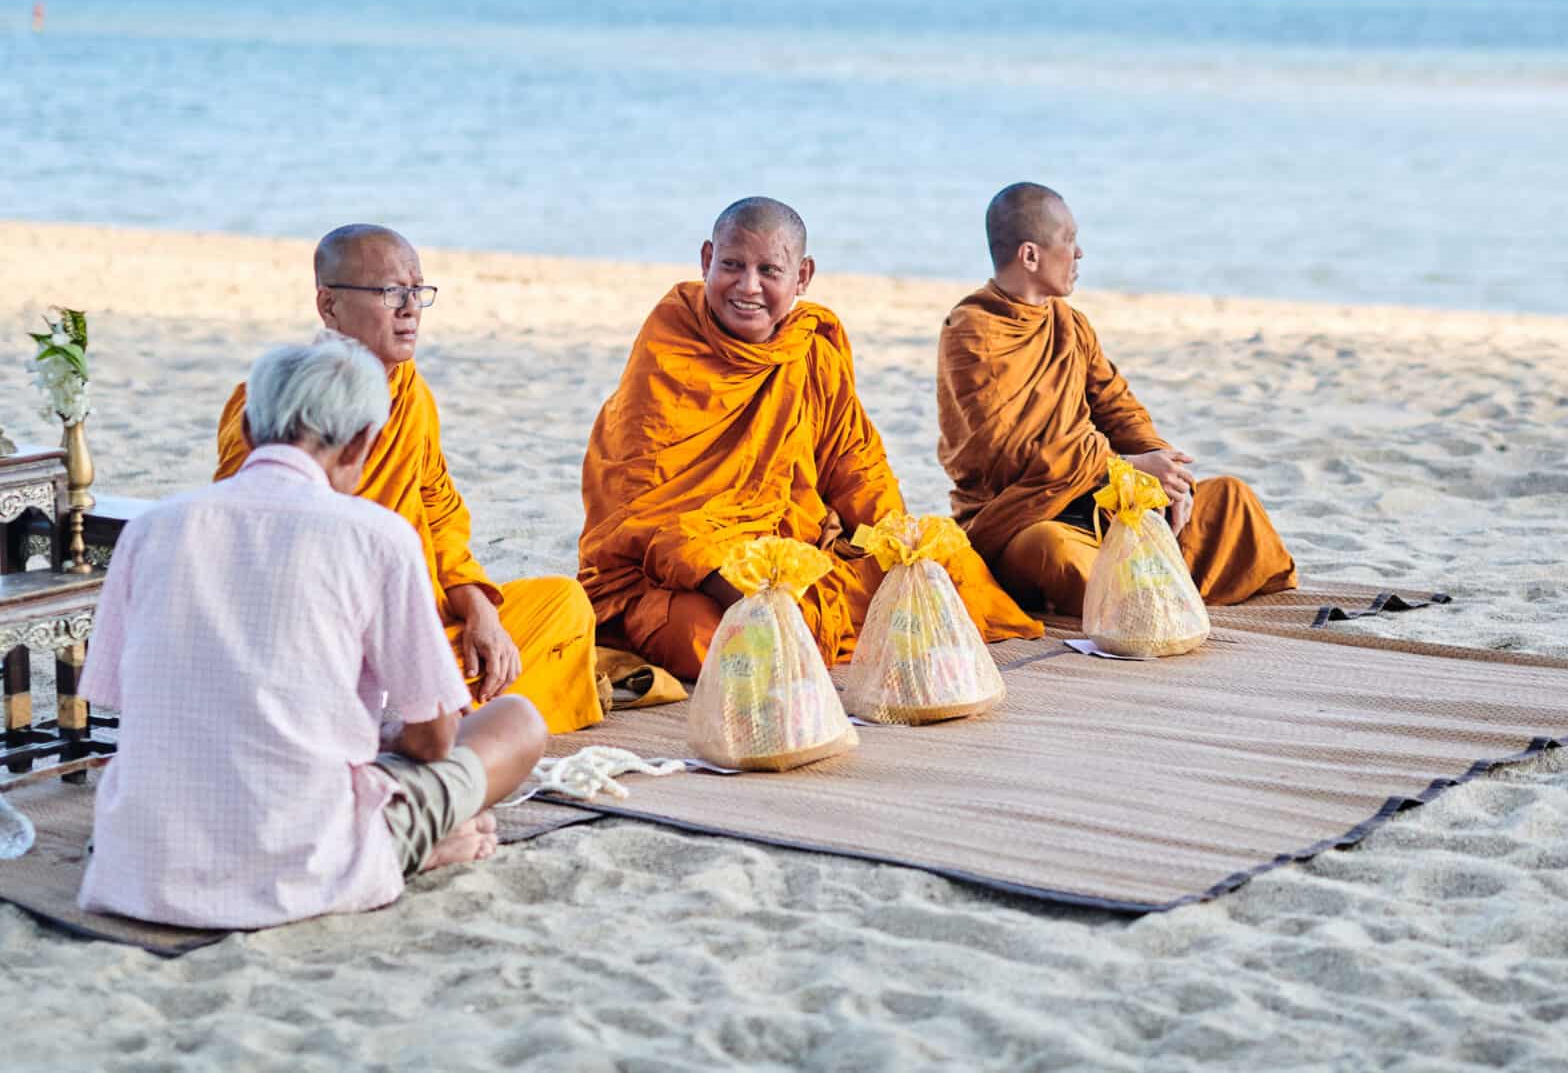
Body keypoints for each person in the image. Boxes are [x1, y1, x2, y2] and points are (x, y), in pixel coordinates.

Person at [80, 337, 546, 929]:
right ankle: (407, 850)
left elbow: (119, 699)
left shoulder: (151, 528)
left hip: (145, 863)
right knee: (517, 723)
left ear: (246, 429)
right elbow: (433, 743)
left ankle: (404, 840)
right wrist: (382, 738)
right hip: (305, 861)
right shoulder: (378, 536)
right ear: (361, 443)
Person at [579, 197, 1041, 680]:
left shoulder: (809, 349)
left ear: (802, 277)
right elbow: (640, 513)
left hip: (794, 548)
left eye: (769, 271)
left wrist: (896, 540)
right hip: (689, 571)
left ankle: (784, 618)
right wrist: (726, 569)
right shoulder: (669, 346)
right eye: (732, 265)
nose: (748, 286)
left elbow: (854, 463)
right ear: (706, 259)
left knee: (943, 565)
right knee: (699, 634)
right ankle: (775, 617)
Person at [216, 224, 602, 733]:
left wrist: (479, 608)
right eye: (392, 292)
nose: (411, 309)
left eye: (418, 291)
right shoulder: (276, 400)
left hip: (421, 623)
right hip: (325, 635)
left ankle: (429, 714)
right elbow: (247, 538)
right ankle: (433, 715)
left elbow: (438, 512)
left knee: (564, 604)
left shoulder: (410, 393)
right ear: (329, 304)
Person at [936, 182, 1297, 617]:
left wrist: (1164, 472)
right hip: (1022, 517)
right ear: (1030, 256)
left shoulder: (1071, 325)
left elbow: (1116, 406)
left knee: (1232, 502)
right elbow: (1010, 451)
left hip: (1101, 501)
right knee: (1054, 552)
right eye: (1069, 240)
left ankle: (1148, 588)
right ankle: (1150, 590)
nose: (1080, 253)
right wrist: (1124, 468)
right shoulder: (971, 333)